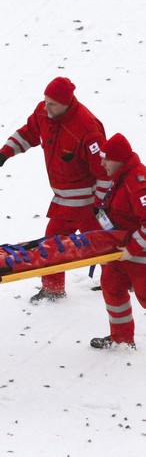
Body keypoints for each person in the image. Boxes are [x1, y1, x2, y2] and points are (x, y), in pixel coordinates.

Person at [0, 77, 110, 302]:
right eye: (45, 101)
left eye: (52, 104)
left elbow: (104, 173)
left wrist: (99, 205)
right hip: (63, 201)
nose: (46, 107)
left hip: (88, 205)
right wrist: (4, 153)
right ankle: (53, 289)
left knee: (103, 247)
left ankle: (120, 283)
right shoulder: (44, 111)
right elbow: (28, 133)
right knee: (54, 246)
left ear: (67, 104)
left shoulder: (87, 128)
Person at [89, 134, 146, 349]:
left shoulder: (138, 182)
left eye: (106, 158)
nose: (101, 163)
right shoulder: (120, 177)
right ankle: (121, 339)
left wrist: (132, 249)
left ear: (120, 159)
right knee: (112, 287)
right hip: (120, 252)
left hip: (138, 254)